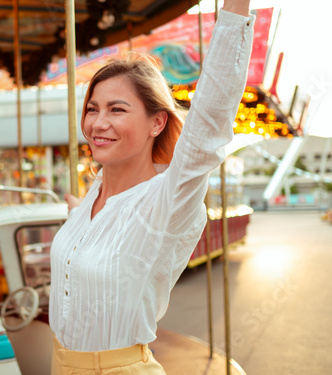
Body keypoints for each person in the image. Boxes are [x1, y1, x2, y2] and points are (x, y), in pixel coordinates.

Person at [49, 0, 254, 373]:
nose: (98, 123)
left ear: (156, 123)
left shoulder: (166, 200)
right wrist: (77, 216)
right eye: (92, 109)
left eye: (117, 109)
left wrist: (235, 11)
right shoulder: (95, 194)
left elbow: (210, 118)